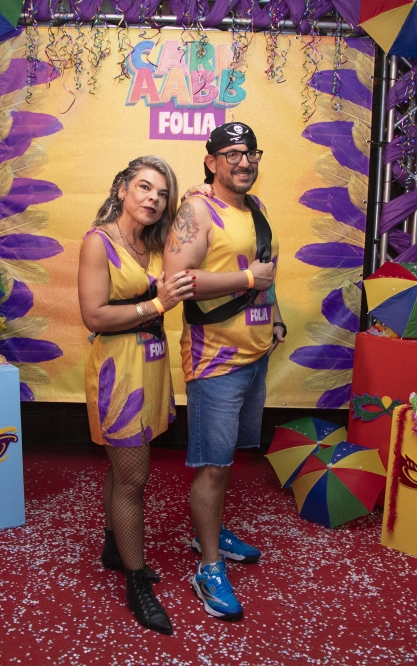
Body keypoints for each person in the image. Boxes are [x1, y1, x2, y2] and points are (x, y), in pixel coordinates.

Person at [163, 122, 285, 622]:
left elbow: (266, 272)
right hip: (215, 361)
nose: (244, 162)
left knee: (227, 456)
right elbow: (176, 280)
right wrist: (248, 278)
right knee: (212, 465)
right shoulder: (195, 210)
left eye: (250, 152)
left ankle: (206, 533)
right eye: (232, 153)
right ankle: (208, 565)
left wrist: (276, 316)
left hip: (255, 354)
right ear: (211, 161)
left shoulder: (255, 208)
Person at [78, 155, 195, 634]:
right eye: (145, 187)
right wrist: (157, 304)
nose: (154, 198)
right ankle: (136, 581)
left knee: (121, 466)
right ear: (122, 188)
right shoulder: (98, 241)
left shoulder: (156, 242)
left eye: (162, 193)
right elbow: (94, 316)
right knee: (133, 479)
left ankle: (113, 545)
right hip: (118, 372)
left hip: (152, 366)